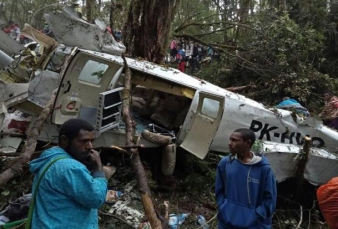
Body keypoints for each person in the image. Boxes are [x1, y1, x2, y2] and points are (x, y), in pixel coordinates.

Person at [29, 119, 107, 228]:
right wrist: (98, 169)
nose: (90, 146)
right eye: (83, 141)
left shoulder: (51, 157)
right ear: (64, 140)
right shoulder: (70, 168)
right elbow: (96, 198)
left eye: (91, 141)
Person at [215, 128, 277, 229]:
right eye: (230, 139)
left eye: (235, 140)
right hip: (226, 222)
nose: (230, 143)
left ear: (247, 143)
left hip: (254, 225)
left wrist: (257, 215)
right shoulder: (225, 163)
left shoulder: (264, 169)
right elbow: (219, 189)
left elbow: (270, 198)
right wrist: (223, 207)